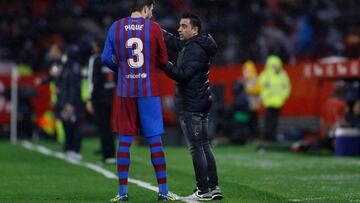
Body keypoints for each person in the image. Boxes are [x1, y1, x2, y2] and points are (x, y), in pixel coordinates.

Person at [101, 0, 175, 201]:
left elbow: (106, 58)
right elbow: (162, 58)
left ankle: (122, 193)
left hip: (125, 90)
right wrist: (147, 68)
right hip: (148, 90)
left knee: (124, 140)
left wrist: (123, 69)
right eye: (151, 9)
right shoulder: (154, 28)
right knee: (154, 141)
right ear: (145, 8)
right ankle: (163, 192)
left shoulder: (115, 27)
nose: (152, 13)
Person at [161, 13, 223, 200]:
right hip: (200, 101)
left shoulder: (194, 49)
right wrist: (156, 30)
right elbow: (174, 42)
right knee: (204, 146)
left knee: (197, 148)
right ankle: (213, 187)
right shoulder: (196, 44)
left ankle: (203, 190)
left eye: (184, 26)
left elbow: (182, 74)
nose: (179, 29)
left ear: (194, 30)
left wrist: (163, 63)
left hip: (192, 104)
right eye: (179, 25)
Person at [47, 43, 83, 160]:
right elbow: (56, 79)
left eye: (53, 50)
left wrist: (71, 102)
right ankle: (68, 148)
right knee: (66, 124)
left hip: (70, 101)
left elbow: (74, 85)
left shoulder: (71, 64)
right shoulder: (57, 64)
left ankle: (75, 150)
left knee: (73, 125)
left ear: (59, 51)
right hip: (62, 100)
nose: (51, 53)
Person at [86, 38, 116, 164]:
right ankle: (111, 153)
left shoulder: (96, 59)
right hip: (112, 97)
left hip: (99, 98)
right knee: (110, 127)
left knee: (103, 127)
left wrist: (90, 99)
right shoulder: (113, 58)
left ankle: (106, 155)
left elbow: (92, 81)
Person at [258, 55, 291, 141]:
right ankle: (267, 136)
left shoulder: (282, 75)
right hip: (269, 102)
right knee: (269, 120)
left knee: (274, 121)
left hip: (278, 102)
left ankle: (271, 136)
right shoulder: (266, 75)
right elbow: (261, 88)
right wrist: (265, 97)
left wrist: (283, 97)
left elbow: (287, 87)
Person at [242, 60, 261, 141]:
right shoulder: (247, 79)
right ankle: (251, 136)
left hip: (253, 105)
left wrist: (247, 90)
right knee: (250, 121)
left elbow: (257, 90)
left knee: (253, 121)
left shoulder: (253, 78)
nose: (245, 71)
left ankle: (254, 136)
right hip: (249, 105)